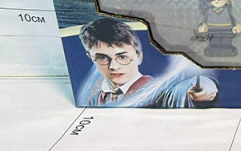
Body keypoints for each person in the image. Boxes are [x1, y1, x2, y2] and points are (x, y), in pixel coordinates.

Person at [80, 18, 218, 108]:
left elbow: (177, 91)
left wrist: (205, 85)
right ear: (90, 57)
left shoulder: (155, 91)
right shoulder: (94, 100)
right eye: (102, 58)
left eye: (122, 57)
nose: (113, 66)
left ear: (139, 57)